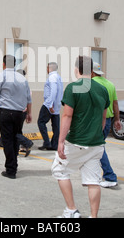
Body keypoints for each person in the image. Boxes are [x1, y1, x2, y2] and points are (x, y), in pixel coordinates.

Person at [52, 56, 110, 218]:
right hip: (97, 143)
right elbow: (103, 119)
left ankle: (71, 210)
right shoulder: (102, 89)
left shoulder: (73, 88)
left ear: (76, 69)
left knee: (59, 169)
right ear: (92, 71)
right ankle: (93, 216)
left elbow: (67, 116)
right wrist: (95, 134)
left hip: (77, 141)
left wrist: (61, 141)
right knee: (93, 181)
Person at [0, 55, 32, 179]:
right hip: (19, 113)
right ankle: (14, 165)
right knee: (15, 139)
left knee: (7, 140)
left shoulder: (0, 77)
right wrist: (29, 113)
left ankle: (11, 169)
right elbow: (29, 98)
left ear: (3, 64)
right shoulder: (22, 79)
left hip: (6, 113)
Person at [92, 62, 121, 188]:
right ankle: (97, 174)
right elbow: (115, 104)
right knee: (96, 148)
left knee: (98, 148)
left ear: (92, 72)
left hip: (97, 120)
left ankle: (110, 176)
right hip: (108, 120)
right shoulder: (110, 84)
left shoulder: (93, 84)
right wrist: (117, 120)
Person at [38, 62, 63, 151]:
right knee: (56, 126)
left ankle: (47, 143)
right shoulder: (59, 77)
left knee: (41, 122)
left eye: (47, 67)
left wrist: (50, 104)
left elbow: (53, 91)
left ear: (49, 68)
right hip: (57, 105)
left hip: (49, 104)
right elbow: (60, 91)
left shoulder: (52, 77)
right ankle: (54, 144)